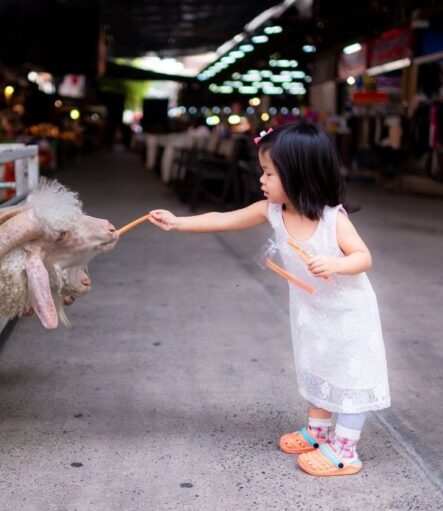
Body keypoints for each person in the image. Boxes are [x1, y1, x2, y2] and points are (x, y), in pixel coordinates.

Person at [148, 120, 390, 477]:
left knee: (350, 376)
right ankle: (319, 431)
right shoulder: (272, 211)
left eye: (269, 173)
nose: (261, 180)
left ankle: (345, 450)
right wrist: (178, 222)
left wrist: (336, 263)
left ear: (300, 174)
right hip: (311, 310)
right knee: (316, 366)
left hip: (348, 314)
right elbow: (223, 219)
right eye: (263, 171)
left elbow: (363, 257)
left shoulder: (331, 219)